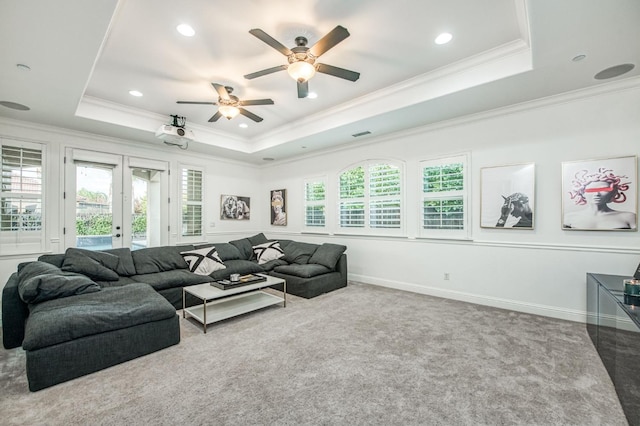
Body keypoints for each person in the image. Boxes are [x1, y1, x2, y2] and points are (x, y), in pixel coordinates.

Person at [563, 167, 636, 229]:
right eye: (591, 190)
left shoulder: (629, 217)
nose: (597, 194)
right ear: (582, 193)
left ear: (612, 193)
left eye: (604, 190)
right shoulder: (569, 217)